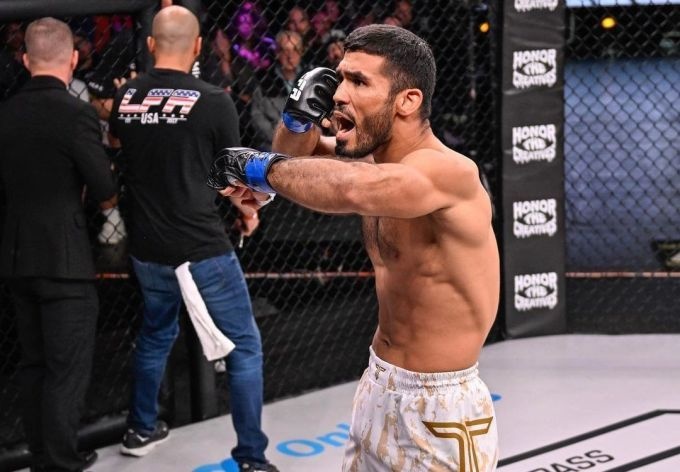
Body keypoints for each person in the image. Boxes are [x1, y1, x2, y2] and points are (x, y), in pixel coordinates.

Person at [208, 24, 500, 471]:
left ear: (408, 100)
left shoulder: (449, 173)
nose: (339, 94)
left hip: (440, 407)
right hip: (378, 385)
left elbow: (350, 188)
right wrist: (296, 120)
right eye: (340, 77)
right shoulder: (372, 159)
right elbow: (298, 161)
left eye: (359, 82)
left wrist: (253, 168)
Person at [109, 7, 277, 472]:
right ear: (199, 46)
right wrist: (247, 212)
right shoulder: (214, 100)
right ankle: (251, 457)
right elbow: (229, 174)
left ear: (150, 45)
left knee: (156, 334)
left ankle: (140, 428)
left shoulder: (126, 97)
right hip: (201, 248)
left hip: (147, 247)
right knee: (245, 347)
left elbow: (130, 157)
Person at [0, 17, 117, 472]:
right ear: (73, 58)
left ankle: (43, 456)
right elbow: (104, 186)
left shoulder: (6, 113)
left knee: (34, 363)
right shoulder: (76, 113)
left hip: (16, 254)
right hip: (64, 258)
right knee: (66, 369)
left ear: (25, 59)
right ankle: (60, 462)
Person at [249, 30, 307, 150]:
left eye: (295, 50)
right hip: (272, 146)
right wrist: (281, 138)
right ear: (277, 53)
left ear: (302, 52)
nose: (290, 56)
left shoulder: (311, 78)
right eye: (285, 50)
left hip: (305, 144)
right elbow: (257, 117)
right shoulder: (264, 81)